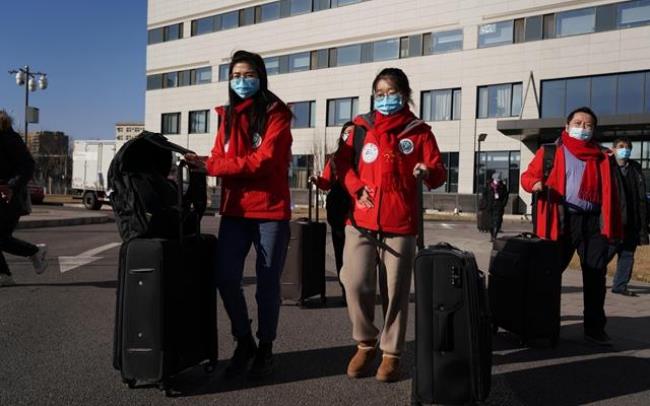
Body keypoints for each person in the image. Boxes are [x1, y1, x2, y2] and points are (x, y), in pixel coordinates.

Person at [184, 50, 292, 378]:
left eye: (248, 75)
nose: (242, 81)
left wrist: (213, 164)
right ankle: (243, 339)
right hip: (234, 211)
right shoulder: (227, 117)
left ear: (260, 77)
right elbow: (219, 154)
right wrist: (203, 160)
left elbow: (265, 161)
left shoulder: (277, 114)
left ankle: (266, 346)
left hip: (270, 212)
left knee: (267, 285)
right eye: (235, 76)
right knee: (225, 277)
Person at [335, 68, 446, 382]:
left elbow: (438, 173)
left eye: (391, 93)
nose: (385, 99)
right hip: (360, 220)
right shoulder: (359, 128)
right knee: (354, 282)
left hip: (401, 222)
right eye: (379, 94)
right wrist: (356, 187)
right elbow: (341, 163)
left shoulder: (419, 131)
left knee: (396, 291)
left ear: (405, 95)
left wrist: (427, 169)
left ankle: (392, 353)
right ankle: (365, 341)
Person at [521, 106, 622, 346]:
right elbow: (526, 177)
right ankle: (544, 326)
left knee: (596, 277)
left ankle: (595, 329)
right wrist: (534, 184)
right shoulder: (551, 152)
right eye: (578, 123)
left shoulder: (603, 156)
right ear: (567, 127)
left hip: (593, 223)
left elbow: (613, 193)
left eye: (588, 125)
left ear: (594, 130)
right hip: (562, 219)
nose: (582, 129)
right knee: (550, 274)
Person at [0, 110, 48, 286]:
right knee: (2, 238)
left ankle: (32, 252)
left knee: (1, 237)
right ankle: (6, 274)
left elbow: (27, 165)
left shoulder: (7, 136)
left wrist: (11, 186)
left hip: (10, 197)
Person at [310, 126, 353, 304]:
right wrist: (317, 180)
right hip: (338, 211)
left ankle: (359, 289)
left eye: (354, 133)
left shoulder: (366, 155)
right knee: (341, 253)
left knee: (361, 255)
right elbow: (327, 182)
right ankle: (346, 292)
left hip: (360, 212)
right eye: (347, 132)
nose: (349, 136)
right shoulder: (334, 158)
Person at [610, 138, 649, 297]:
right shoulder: (608, 166)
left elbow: (641, 195)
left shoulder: (636, 168)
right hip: (614, 219)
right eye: (621, 147)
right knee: (605, 253)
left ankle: (620, 285)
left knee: (627, 255)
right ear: (613, 149)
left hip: (633, 219)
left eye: (627, 147)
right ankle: (594, 281)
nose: (624, 150)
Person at [485, 172, 508, 241]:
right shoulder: (488, 186)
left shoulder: (503, 186)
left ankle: (495, 235)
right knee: (490, 222)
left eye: (499, 180)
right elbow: (484, 195)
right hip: (490, 205)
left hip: (499, 206)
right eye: (496, 180)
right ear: (493, 179)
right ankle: (492, 235)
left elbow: (506, 196)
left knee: (498, 221)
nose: (498, 181)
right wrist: (486, 203)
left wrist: (503, 204)